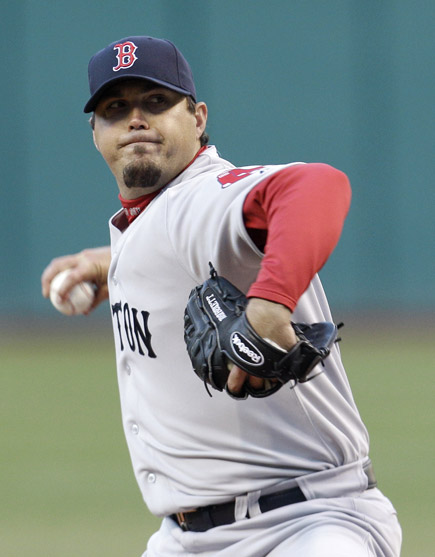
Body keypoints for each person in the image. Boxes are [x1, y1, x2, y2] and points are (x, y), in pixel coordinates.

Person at [41, 35, 401, 556]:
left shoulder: (202, 197)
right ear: (94, 132)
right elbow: (169, 239)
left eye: (156, 102)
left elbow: (317, 186)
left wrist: (271, 303)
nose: (136, 119)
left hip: (307, 525)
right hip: (185, 539)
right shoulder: (150, 221)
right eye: (116, 108)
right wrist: (111, 261)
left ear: (199, 117)